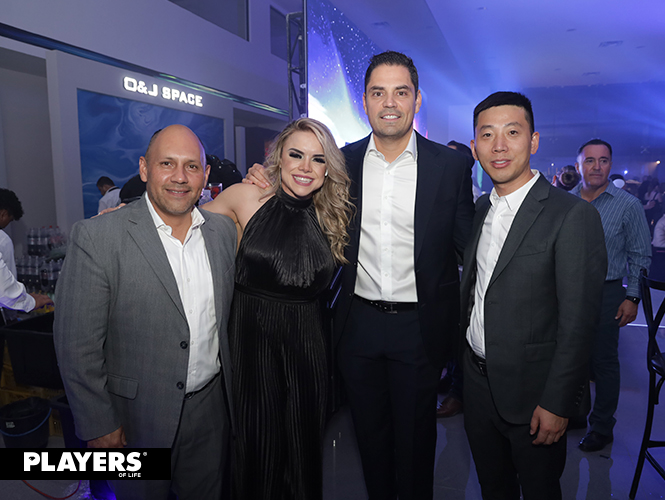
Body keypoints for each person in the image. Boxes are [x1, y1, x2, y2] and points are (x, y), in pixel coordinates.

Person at [246, 51, 474, 500]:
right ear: (366, 102)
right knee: (370, 441)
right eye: (378, 92)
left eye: (400, 92)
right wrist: (264, 180)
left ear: (417, 100)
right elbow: (298, 194)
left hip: (420, 328)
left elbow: (469, 246)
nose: (389, 102)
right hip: (357, 325)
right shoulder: (341, 163)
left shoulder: (449, 167)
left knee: (417, 444)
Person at [54, 125, 237, 500]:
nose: (180, 177)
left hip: (210, 413)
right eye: (167, 163)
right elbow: (76, 344)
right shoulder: (98, 237)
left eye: (191, 166)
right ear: (144, 168)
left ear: (205, 175)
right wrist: (98, 423)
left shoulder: (222, 233)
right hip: (135, 420)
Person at [461, 91, 607, 499]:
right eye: (487, 135)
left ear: (534, 140)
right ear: (474, 147)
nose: (499, 146)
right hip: (477, 385)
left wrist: (559, 403)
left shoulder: (571, 215)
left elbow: (579, 322)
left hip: (534, 395)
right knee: (493, 489)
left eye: (512, 132)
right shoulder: (481, 210)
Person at [203, 117, 352, 500]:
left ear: (327, 168)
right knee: (256, 444)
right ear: (278, 157)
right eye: (296, 155)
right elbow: (184, 228)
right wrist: (124, 217)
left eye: (318, 159)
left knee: (303, 448)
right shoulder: (245, 196)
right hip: (252, 342)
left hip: (308, 347)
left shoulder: (333, 213)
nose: (306, 167)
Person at [572, 138, 652, 452]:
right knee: (570, 357)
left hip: (606, 292)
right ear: (578, 165)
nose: (596, 166)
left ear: (610, 165)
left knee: (603, 362)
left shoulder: (628, 205)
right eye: (589, 160)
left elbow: (640, 255)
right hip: (566, 291)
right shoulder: (564, 201)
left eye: (603, 160)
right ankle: (575, 413)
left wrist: (632, 298)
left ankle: (602, 427)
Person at [0, 188, 52, 312]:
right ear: (3, 214)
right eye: (10, 220)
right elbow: (5, 290)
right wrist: (29, 302)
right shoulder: (3, 240)